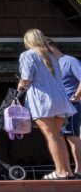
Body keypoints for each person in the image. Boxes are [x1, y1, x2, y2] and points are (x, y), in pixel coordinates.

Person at [18, 29, 77, 179]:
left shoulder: (28, 55)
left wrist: (20, 86)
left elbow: (26, 79)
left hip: (42, 100)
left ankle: (60, 171)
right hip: (60, 99)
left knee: (51, 136)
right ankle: (67, 171)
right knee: (58, 135)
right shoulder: (52, 56)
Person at [50, 41, 81, 174]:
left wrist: (76, 97)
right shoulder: (53, 65)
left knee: (72, 137)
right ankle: (67, 169)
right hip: (61, 107)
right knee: (62, 137)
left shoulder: (69, 61)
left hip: (73, 105)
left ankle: (79, 171)